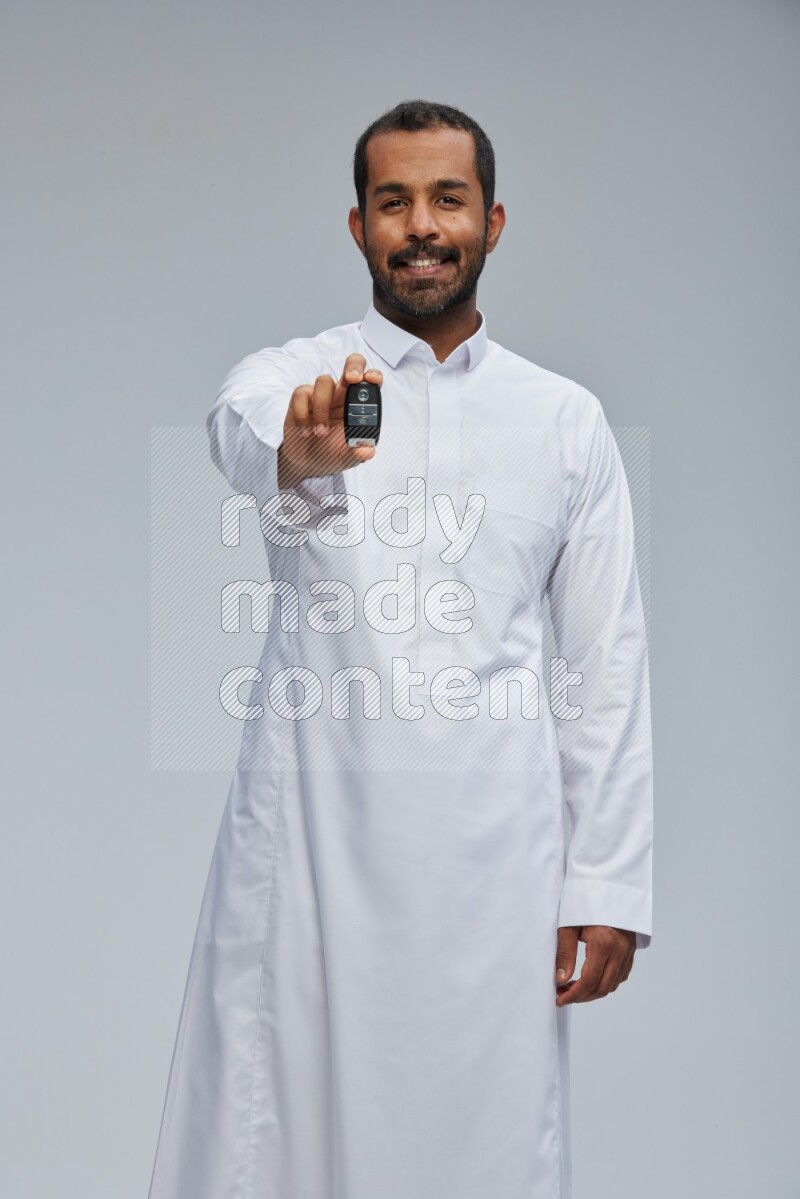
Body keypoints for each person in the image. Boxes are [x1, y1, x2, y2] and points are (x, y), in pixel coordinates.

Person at [148, 99, 653, 1199]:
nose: (421, 225)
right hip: (310, 850)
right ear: (358, 226)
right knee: (279, 1142)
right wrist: (302, 449)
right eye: (393, 201)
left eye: (446, 199)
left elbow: (601, 662)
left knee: (489, 1145)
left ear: (492, 221)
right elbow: (241, 430)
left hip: (496, 865)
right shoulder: (294, 375)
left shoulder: (564, 421)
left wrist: (607, 878)